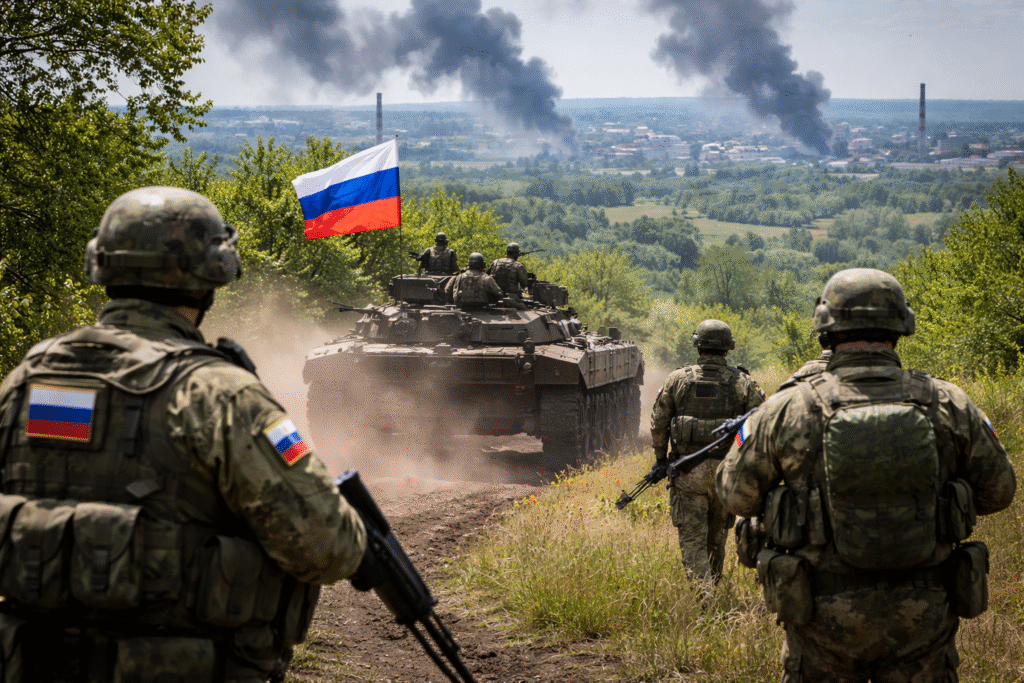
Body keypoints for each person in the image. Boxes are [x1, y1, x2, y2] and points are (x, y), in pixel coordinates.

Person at [0, 186, 379, 682]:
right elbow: (329, 547)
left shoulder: (28, 380)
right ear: (211, 276)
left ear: (104, 267)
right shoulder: (220, 395)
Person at [717, 268, 1017, 683]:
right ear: (900, 326)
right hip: (924, 616)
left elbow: (735, 495)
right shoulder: (951, 403)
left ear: (826, 329)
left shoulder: (786, 409)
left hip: (821, 618)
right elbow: (999, 491)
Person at [649, 319, 764, 591]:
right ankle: (711, 588)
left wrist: (661, 459)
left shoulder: (677, 379)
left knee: (692, 539)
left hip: (688, 472)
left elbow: (658, 423)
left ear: (697, 345)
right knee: (717, 537)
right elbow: (760, 424)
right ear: (728, 348)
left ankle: (704, 597)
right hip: (726, 473)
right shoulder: (743, 383)